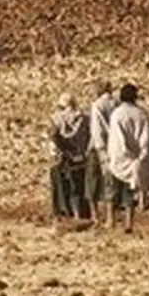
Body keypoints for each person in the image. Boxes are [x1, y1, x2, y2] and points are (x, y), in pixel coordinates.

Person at [106, 82, 149, 233]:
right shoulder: (142, 114)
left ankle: (111, 221)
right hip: (136, 159)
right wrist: (142, 156)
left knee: (113, 190)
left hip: (119, 158)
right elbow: (146, 138)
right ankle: (128, 223)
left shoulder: (117, 114)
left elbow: (116, 138)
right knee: (130, 192)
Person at [49, 92, 91, 224]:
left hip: (60, 158)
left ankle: (63, 213)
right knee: (78, 187)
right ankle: (80, 213)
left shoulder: (56, 119)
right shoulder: (84, 119)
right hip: (79, 158)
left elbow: (53, 137)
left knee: (61, 187)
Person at [86, 79, 116, 227]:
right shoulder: (117, 104)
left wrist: (99, 149)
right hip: (115, 146)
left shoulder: (97, 105)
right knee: (110, 182)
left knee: (92, 181)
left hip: (98, 147)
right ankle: (111, 217)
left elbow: (97, 130)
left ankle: (95, 216)